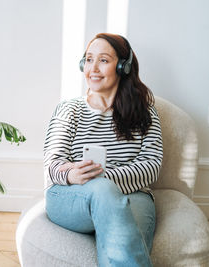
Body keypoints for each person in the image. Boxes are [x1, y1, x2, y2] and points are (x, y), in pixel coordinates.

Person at [43, 33, 163, 266]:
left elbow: (150, 166)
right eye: (88, 60)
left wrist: (103, 181)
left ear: (123, 67)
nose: (93, 68)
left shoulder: (145, 112)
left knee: (124, 225)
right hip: (71, 197)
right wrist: (72, 174)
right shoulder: (69, 110)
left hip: (132, 195)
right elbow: (53, 164)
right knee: (101, 191)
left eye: (104, 60)